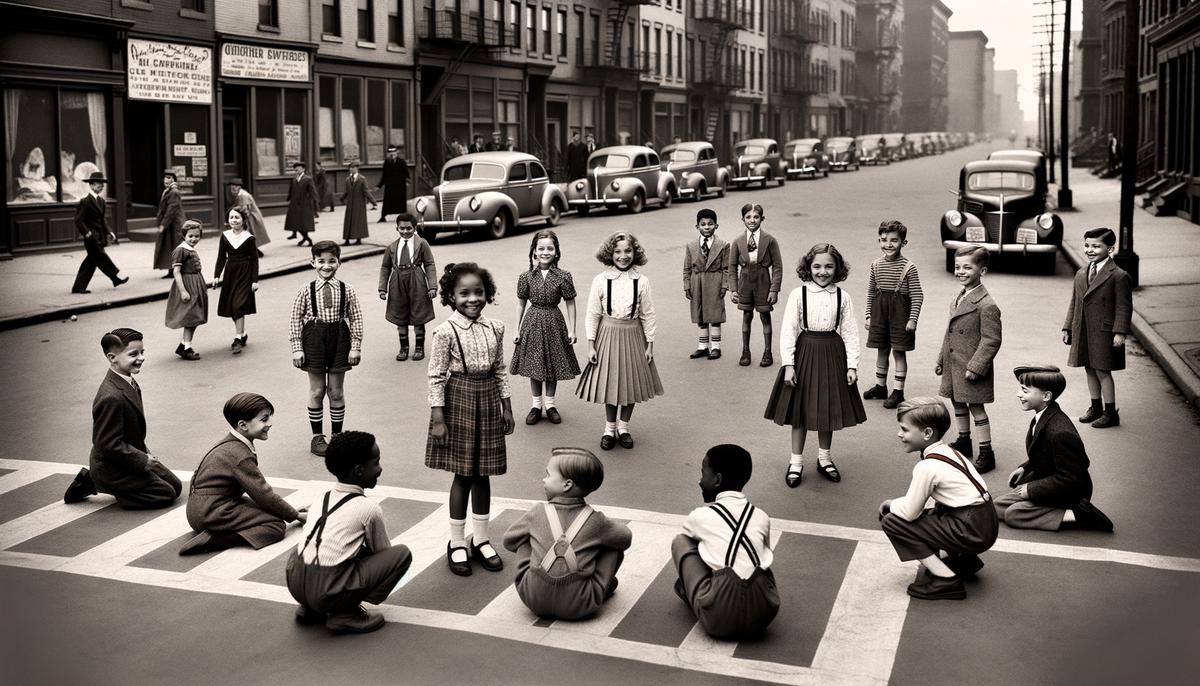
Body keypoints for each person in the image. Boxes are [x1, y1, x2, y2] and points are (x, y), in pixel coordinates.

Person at [426, 262, 515, 577]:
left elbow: (500, 370)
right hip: (459, 400)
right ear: (451, 296)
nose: (472, 299)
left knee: (483, 474)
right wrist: (438, 417)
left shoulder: (496, 328)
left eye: (478, 292)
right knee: (463, 475)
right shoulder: (445, 331)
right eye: (464, 293)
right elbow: (436, 376)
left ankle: (481, 538)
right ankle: (456, 542)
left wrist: (507, 406)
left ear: (487, 293)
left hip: (488, 399)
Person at [286, 431, 413, 634]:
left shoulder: (323, 497)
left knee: (316, 541)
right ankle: (345, 612)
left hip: (295, 583)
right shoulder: (368, 508)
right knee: (401, 554)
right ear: (359, 471)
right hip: (327, 590)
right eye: (376, 463)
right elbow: (382, 553)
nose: (380, 469)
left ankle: (310, 608)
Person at [765, 243, 866, 486]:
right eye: (817, 266)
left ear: (837, 269)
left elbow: (851, 332)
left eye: (829, 266)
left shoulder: (843, 296)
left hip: (833, 352)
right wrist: (789, 364)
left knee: (827, 408)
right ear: (808, 267)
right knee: (800, 410)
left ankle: (825, 458)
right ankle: (796, 462)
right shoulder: (798, 294)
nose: (823, 271)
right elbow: (788, 330)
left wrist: (852, 365)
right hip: (805, 352)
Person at [879, 397, 998, 601]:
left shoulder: (927, 467)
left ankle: (946, 579)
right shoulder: (950, 452)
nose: (900, 434)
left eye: (905, 429)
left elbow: (909, 512)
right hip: (986, 521)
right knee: (934, 511)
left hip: (971, 529)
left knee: (893, 521)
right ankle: (963, 561)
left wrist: (890, 504)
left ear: (927, 433)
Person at [502, 447, 631, 620]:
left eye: (548, 475)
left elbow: (509, 541)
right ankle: (602, 586)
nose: (543, 479)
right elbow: (625, 539)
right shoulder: (596, 520)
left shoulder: (537, 512)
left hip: (533, 599)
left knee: (525, 538)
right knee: (612, 547)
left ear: (567, 485)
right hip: (580, 604)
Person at [63, 328, 183, 508]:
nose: (141, 357)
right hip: (112, 467)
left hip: (128, 457)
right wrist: (142, 460)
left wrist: (144, 456)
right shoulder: (111, 396)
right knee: (165, 494)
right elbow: (106, 444)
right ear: (112, 358)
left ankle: (108, 483)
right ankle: (97, 482)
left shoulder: (127, 381)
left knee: (176, 486)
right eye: (134, 354)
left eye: (142, 352)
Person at [672, 444, 779, 639]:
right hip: (762, 616)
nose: (699, 481)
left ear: (717, 480)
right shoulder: (761, 516)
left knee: (682, 542)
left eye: (703, 474)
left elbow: (692, 546)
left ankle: (691, 594)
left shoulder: (700, 516)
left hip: (719, 619)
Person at [180, 393, 307, 555]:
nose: (270, 423)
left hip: (202, 508)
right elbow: (263, 494)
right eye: (264, 419)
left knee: (270, 511)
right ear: (243, 425)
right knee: (275, 526)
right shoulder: (240, 454)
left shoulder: (229, 443)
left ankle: (215, 533)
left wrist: (289, 511)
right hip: (211, 513)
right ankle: (213, 540)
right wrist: (295, 515)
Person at [994, 365, 1114, 532]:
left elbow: (1071, 478)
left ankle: (1080, 515)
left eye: (1024, 390)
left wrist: (1031, 489)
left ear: (1046, 396)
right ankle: (1039, 506)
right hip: (1049, 481)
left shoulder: (1060, 432)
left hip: (1070, 493)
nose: (1018, 394)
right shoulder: (1044, 415)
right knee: (997, 506)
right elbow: (1046, 452)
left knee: (1014, 514)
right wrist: (1025, 467)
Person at [576, 232, 663, 451]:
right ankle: (609, 428)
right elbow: (593, 314)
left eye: (627, 251)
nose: (622, 256)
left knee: (630, 381)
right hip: (608, 333)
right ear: (610, 254)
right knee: (610, 381)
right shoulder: (601, 280)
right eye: (617, 252)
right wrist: (591, 344)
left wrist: (650, 344)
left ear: (635, 253)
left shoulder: (641, 281)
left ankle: (623, 427)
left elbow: (648, 314)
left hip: (634, 334)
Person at [290, 241, 365, 457]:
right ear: (312, 262)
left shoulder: (347, 289)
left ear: (339, 262)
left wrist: (355, 346)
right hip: (314, 338)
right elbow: (295, 318)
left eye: (332, 261)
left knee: (336, 391)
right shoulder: (306, 290)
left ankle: (337, 436)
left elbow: (356, 318)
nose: (326, 266)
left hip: (340, 337)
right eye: (321, 261)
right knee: (316, 391)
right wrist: (297, 348)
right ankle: (317, 437)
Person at [937, 245, 1003, 473]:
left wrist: (976, 367)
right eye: (957, 267)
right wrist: (940, 359)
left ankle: (986, 452)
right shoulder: (960, 297)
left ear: (982, 271)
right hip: (954, 362)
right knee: (957, 401)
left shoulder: (987, 305)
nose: (960, 271)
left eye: (967, 267)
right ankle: (964, 440)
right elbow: (950, 332)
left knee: (977, 407)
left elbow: (991, 341)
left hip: (971, 366)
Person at [1062, 227, 1132, 429]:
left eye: (1096, 246)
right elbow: (1074, 303)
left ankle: (1111, 412)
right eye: (1087, 245)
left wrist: (1120, 332)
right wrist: (1068, 328)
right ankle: (1096, 407)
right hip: (1083, 328)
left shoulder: (1118, 275)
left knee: (1103, 370)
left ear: (1110, 249)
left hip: (1104, 331)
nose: (1090, 250)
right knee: (1089, 367)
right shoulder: (1081, 273)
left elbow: (1123, 306)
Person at [511, 230, 580, 425]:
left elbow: (570, 303)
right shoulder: (526, 277)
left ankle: (550, 404)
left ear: (556, 252)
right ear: (534, 251)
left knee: (552, 363)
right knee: (534, 364)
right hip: (532, 322)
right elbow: (521, 303)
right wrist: (516, 329)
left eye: (550, 248)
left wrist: (572, 329)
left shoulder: (563, 276)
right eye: (541, 248)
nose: (545, 252)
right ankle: (536, 405)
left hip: (554, 322)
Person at [862, 220, 925, 409]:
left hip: (900, 315)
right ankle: (880, 387)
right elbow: (871, 292)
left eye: (894, 240)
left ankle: (898, 392)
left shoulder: (909, 267)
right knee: (881, 350)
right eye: (883, 240)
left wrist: (912, 319)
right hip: (879, 312)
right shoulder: (875, 265)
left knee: (898, 351)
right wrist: (868, 315)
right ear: (878, 241)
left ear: (903, 243)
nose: (888, 244)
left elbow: (917, 295)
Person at [728, 204, 783, 368]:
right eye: (748, 217)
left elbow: (777, 266)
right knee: (746, 315)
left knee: (765, 316)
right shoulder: (738, 241)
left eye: (756, 217)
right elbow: (731, 267)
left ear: (762, 219)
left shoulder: (770, 240)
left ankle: (768, 352)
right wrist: (733, 289)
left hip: (763, 281)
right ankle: (745, 351)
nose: (752, 220)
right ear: (743, 220)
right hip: (745, 282)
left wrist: (774, 289)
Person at [378, 213, 436, 361]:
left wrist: (432, 286)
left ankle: (419, 348)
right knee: (399, 314)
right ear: (397, 228)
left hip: (416, 279)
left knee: (419, 313)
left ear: (414, 228)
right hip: (397, 279)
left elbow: (429, 264)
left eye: (408, 228)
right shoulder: (391, 247)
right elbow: (385, 267)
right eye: (401, 228)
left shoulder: (422, 243)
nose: (405, 231)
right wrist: (382, 288)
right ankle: (403, 348)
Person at [71, 171, 129, 294]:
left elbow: (103, 220)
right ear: (91, 185)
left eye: (102, 185)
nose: (101, 186)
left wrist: (110, 232)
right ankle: (115, 277)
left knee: (91, 262)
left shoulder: (102, 201)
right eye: (98, 184)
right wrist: (87, 233)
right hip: (91, 238)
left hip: (100, 236)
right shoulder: (85, 201)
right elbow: (78, 221)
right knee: (102, 256)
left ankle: (78, 287)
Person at [683, 208, 730, 360]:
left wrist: (724, 285)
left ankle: (716, 347)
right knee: (700, 314)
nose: (707, 227)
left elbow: (726, 268)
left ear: (716, 225)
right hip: (697, 282)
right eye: (703, 224)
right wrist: (687, 285)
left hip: (714, 282)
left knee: (714, 314)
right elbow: (687, 268)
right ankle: (703, 346)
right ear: (697, 227)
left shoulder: (723, 245)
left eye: (710, 224)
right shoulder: (691, 246)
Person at [212, 208, 259, 355]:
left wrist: (255, 280)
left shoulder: (249, 238)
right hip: (230, 272)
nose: (234, 220)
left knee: (238, 304)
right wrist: (216, 275)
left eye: (237, 217)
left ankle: (237, 338)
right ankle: (242, 332)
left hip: (244, 272)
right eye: (231, 217)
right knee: (232, 306)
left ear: (243, 220)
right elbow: (221, 257)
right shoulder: (225, 236)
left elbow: (254, 260)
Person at [165, 219, 208, 360]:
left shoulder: (190, 249)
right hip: (187, 285)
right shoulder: (180, 250)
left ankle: (184, 345)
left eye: (197, 236)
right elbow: (176, 272)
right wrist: (183, 291)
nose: (194, 239)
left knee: (196, 316)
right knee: (191, 317)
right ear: (184, 236)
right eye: (191, 236)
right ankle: (186, 348)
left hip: (196, 285)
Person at [153, 169, 187, 279]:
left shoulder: (174, 192)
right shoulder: (168, 191)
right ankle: (171, 270)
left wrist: (163, 224)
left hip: (174, 225)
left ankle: (176, 270)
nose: (166, 180)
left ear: (173, 179)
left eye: (169, 178)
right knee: (169, 247)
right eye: (165, 177)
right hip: (171, 225)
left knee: (174, 247)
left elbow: (171, 209)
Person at [340, 160, 377, 246]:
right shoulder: (348, 179)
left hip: (359, 204)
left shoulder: (362, 179)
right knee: (348, 222)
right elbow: (347, 191)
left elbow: (366, 191)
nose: (351, 169)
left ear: (357, 168)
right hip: (350, 204)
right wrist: (342, 198)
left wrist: (373, 202)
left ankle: (358, 239)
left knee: (359, 221)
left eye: (353, 168)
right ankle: (347, 240)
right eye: (350, 168)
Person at [228, 178, 271, 249]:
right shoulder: (241, 193)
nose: (233, 188)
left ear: (239, 187)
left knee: (249, 233)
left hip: (251, 217)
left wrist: (234, 209)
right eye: (232, 186)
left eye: (236, 186)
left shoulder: (242, 195)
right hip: (250, 216)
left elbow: (244, 208)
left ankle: (255, 252)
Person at [285, 161, 319, 246]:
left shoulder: (308, 179)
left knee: (303, 223)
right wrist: (289, 198)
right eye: (296, 169)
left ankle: (307, 239)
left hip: (304, 204)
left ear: (303, 169)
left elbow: (312, 191)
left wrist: (315, 203)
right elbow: (291, 190)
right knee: (294, 221)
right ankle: (297, 235)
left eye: (299, 168)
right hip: (294, 203)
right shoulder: (294, 179)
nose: (297, 170)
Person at [376, 146, 409, 223]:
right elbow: (384, 175)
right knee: (387, 202)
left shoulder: (402, 162)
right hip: (390, 186)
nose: (392, 154)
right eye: (390, 153)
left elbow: (406, 173)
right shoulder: (387, 162)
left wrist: (407, 181)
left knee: (401, 202)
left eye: (393, 152)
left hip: (400, 186)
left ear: (396, 153)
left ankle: (403, 217)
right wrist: (379, 185)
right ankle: (383, 217)